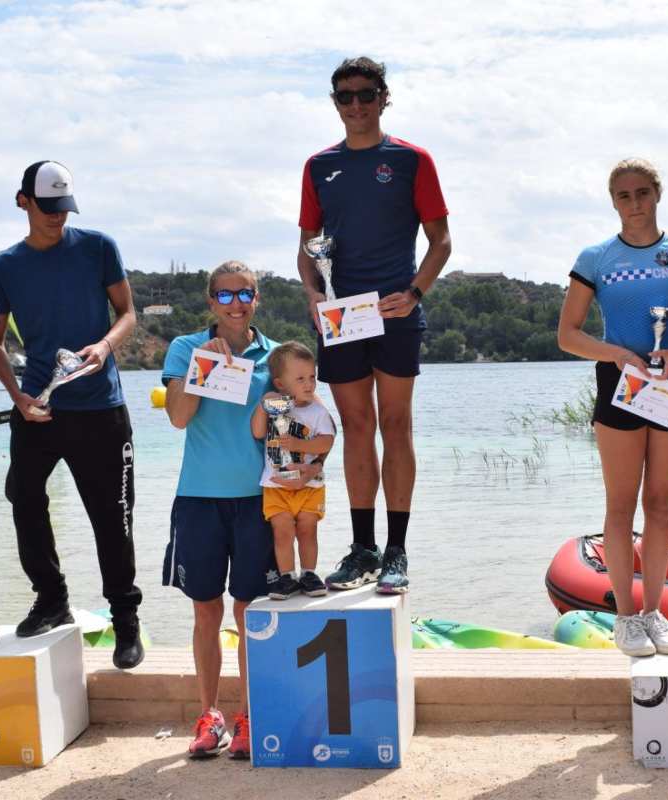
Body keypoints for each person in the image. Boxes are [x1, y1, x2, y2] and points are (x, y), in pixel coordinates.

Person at [296, 56, 452, 594]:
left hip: (395, 314)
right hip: (341, 317)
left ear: (385, 97)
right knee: (356, 429)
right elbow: (307, 248)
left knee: (397, 427)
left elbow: (441, 242)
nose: (356, 105)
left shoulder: (412, 160)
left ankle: (397, 550)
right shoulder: (318, 166)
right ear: (335, 103)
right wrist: (314, 294)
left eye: (366, 94)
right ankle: (362, 548)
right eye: (345, 97)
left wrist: (414, 294)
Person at [0, 160, 144, 670]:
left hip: (102, 409)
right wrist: (17, 396)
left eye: (64, 208)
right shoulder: (4, 266)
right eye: (47, 207)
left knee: (112, 519)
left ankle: (126, 621)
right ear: (23, 202)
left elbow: (128, 314)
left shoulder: (99, 246)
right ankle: (51, 598)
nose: (57, 217)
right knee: (23, 498)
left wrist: (105, 344)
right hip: (40, 408)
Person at [557, 159, 668, 657]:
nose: (634, 203)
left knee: (660, 504)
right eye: (623, 195)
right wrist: (617, 354)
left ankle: (655, 612)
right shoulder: (596, 257)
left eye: (642, 193)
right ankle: (625, 618)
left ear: (658, 193)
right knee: (621, 504)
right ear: (612, 200)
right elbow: (568, 334)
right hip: (619, 386)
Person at [162, 261, 295, 760]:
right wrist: (203, 366)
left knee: (248, 612)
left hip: (258, 500)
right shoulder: (184, 348)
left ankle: (247, 715)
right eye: (224, 295)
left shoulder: (274, 356)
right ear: (210, 301)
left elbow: (291, 423)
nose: (235, 304)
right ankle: (210, 714)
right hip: (198, 498)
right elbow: (178, 418)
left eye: (245, 294)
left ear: (257, 299)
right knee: (205, 610)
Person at [250, 341, 336, 600]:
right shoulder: (276, 407)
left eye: (312, 377)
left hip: (310, 485)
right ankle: (288, 576)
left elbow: (327, 441)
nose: (309, 384)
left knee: (308, 529)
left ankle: (309, 573)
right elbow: (257, 432)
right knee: (283, 531)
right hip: (276, 484)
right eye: (300, 379)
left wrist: (300, 444)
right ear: (280, 384)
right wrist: (262, 406)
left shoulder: (318, 411)